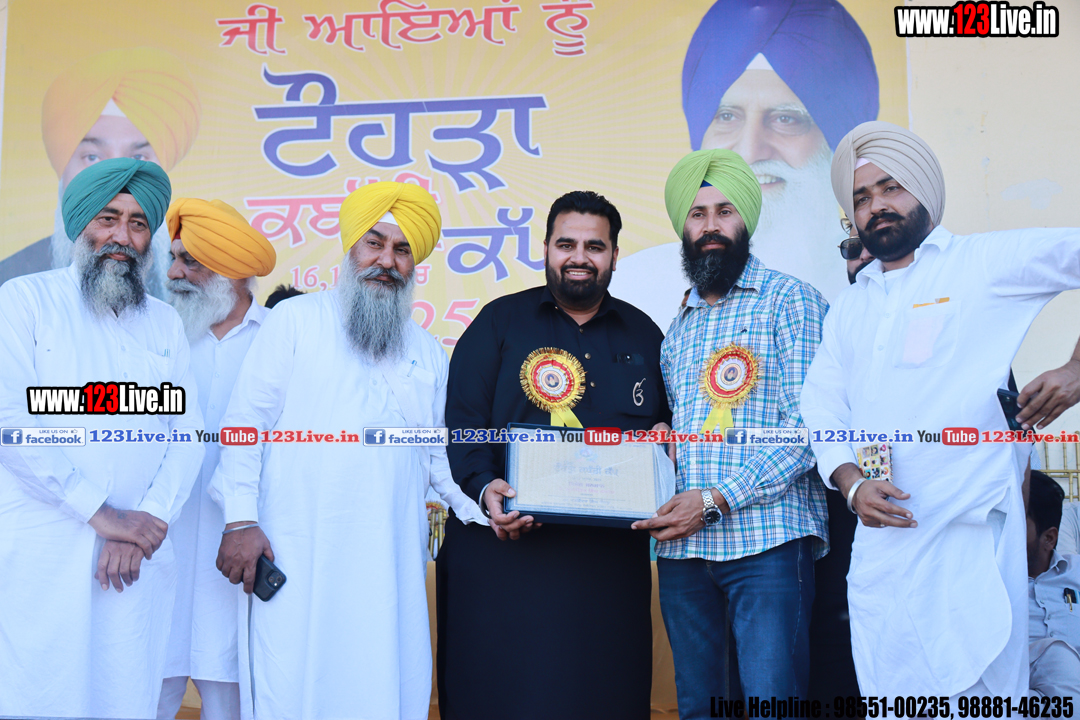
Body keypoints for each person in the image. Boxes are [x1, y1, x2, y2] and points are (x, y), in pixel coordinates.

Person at [801, 120, 1080, 698]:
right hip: (882, 557)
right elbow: (822, 408)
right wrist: (852, 484)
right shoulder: (850, 309)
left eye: (891, 187)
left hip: (968, 556)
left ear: (925, 189)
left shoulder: (982, 263)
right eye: (861, 197)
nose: (877, 205)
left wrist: (1077, 369)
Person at [209, 181, 482, 720]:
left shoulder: (427, 351)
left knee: (380, 676)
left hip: (388, 557)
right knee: (294, 680)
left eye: (402, 250)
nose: (387, 261)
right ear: (351, 248)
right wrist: (240, 520)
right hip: (297, 548)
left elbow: (437, 459)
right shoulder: (295, 320)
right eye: (374, 244)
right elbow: (244, 425)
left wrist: (482, 509)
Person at [437, 190, 671, 720]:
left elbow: (669, 428)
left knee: (604, 699)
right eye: (566, 244)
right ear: (545, 248)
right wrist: (485, 488)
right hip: (506, 558)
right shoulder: (498, 322)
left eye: (595, 246)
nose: (579, 257)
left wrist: (665, 441)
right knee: (500, 699)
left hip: (607, 573)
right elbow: (463, 426)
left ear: (614, 255)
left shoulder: (645, 334)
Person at [0, 157, 204, 718]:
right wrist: (101, 514)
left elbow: (187, 432)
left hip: (136, 559)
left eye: (138, 224)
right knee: (42, 693)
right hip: (48, 551)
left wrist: (145, 522)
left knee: (125, 694)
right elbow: (13, 425)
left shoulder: (163, 322)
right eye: (108, 218)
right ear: (80, 223)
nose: (122, 236)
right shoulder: (25, 301)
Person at [632, 149, 828, 718]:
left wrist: (717, 500)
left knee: (772, 703)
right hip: (683, 550)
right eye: (697, 214)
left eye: (724, 211)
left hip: (768, 542)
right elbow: (683, 434)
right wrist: (660, 446)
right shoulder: (678, 329)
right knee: (699, 708)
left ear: (746, 219)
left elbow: (809, 429)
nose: (711, 226)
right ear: (683, 227)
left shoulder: (792, 301)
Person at [610, 0, 879, 327]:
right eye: (727, 116)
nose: (750, 151)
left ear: (837, 139)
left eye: (785, 119)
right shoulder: (633, 289)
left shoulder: (877, 281)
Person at [157, 198, 277, 720]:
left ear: (233, 271)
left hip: (240, 550)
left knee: (232, 698)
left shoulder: (281, 338)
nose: (174, 272)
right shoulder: (156, 336)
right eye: (174, 258)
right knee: (143, 690)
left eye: (191, 261)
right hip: (158, 546)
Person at [0, 47, 201, 296]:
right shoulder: (20, 294)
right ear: (63, 169)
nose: (115, 182)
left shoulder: (184, 297)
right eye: (93, 157)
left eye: (137, 158)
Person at [1026, 469, 1080, 699]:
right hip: (1011, 694)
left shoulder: (1075, 573)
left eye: (1016, 523)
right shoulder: (987, 581)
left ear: (1049, 538)